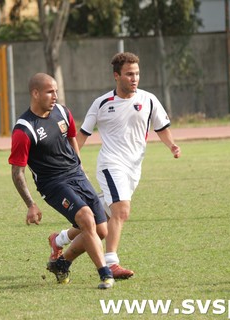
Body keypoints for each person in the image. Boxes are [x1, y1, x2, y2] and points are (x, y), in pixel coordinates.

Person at [48, 52, 181, 279]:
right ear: (116, 76)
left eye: (137, 74)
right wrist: (72, 165)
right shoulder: (101, 103)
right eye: (129, 74)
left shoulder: (149, 100)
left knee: (101, 223)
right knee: (121, 211)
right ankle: (111, 262)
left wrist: (172, 145)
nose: (134, 78)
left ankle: (60, 244)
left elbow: (162, 127)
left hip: (133, 170)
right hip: (111, 165)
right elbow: (80, 136)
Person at [8, 72, 114, 289]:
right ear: (35, 94)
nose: (55, 95)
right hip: (53, 183)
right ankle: (105, 274)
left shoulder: (63, 112)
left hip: (76, 175)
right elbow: (17, 173)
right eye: (50, 91)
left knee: (101, 230)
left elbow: (72, 138)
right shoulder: (24, 129)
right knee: (86, 219)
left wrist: (80, 167)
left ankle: (62, 263)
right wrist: (31, 204)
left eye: (56, 90)